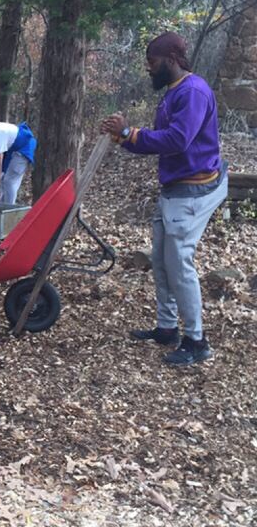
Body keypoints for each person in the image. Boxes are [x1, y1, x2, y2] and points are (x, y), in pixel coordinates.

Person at [100, 32, 228, 367]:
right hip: (174, 189)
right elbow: (158, 141)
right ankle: (167, 328)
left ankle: (197, 341)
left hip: (193, 190)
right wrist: (125, 138)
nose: (149, 68)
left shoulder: (194, 91)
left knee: (179, 264)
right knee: (160, 259)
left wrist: (131, 133)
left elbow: (178, 139)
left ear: (170, 59)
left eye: (152, 62)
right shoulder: (172, 93)